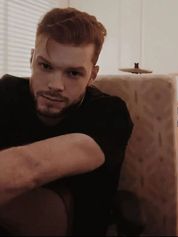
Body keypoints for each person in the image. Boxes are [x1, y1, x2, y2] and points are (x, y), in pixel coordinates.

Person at [0, 7, 133, 236]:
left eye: (73, 73)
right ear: (32, 59)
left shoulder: (109, 113)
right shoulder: (8, 92)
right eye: (45, 66)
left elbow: (30, 166)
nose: (55, 85)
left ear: (92, 75)